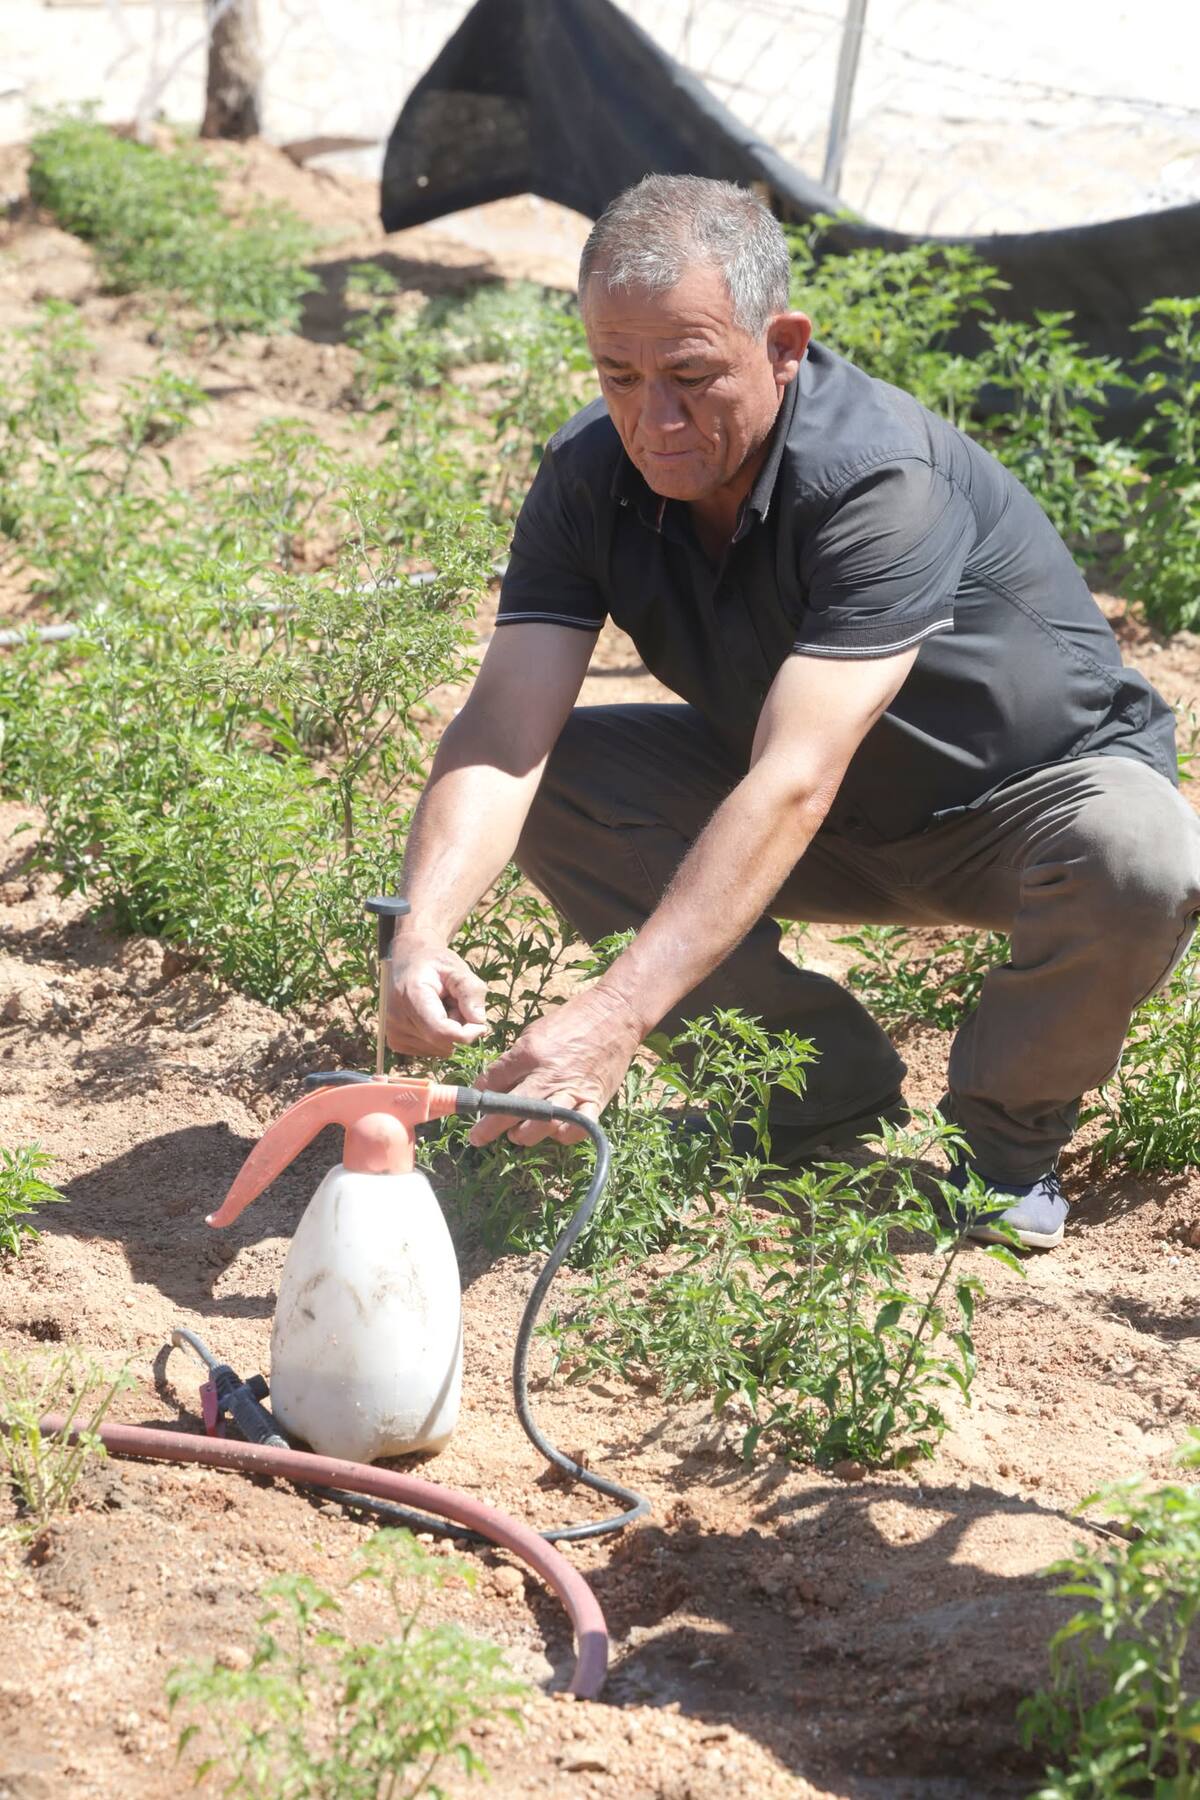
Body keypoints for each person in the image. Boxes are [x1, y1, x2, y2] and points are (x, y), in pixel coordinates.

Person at [386, 174, 1200, 1251]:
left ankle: (1003, 1153)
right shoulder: (592, 477)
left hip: (1022, 810)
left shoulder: (875, 479)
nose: (652, 420)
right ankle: (812, 1097)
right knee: (564, 782)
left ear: (782, 344)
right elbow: (501, 732)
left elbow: (796, 775)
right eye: (617, 375)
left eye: (690, 374)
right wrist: (419, 930)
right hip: (819, 813)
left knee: (1143, 854)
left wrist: (617, 1014)